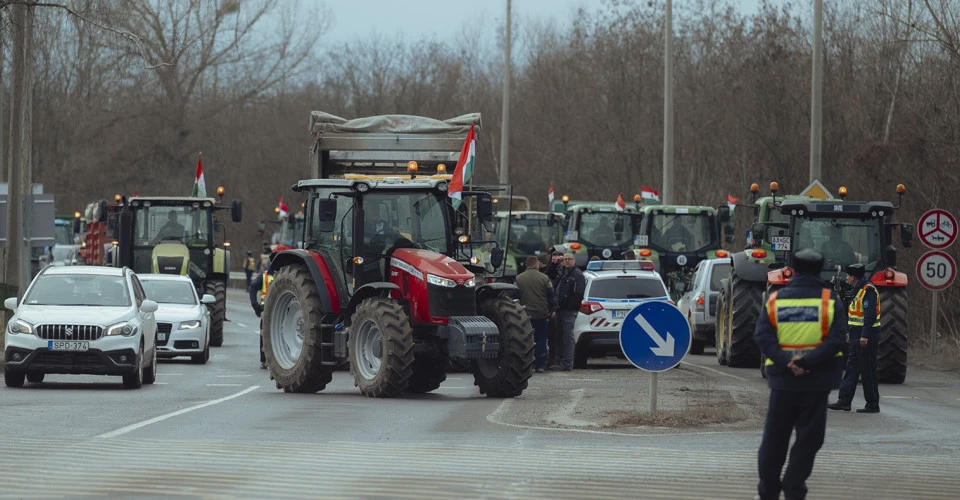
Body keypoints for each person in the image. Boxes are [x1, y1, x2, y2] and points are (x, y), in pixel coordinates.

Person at [753, 248, 846, 500]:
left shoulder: (776, 300)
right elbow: (836, 340)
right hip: (817, 381)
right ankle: (794, 490)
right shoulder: (829, 301)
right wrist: (807, 363)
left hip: (783, 381)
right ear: (820, 270)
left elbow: (762, 336)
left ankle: (768, 491)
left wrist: (786, 362)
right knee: (809, 440)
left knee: (774, 439)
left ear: (792, 269)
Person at [829, 263, 881, 413]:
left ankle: (872, 404)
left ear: (854, 276)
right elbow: (853, 315)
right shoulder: (856, 290)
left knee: (867, 371)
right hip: (855, 336)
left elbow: (870, 316)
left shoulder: (868, 291)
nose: (846, 277)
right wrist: (848, 334)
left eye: (848, 275)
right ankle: (844, 401)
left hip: (866, 338)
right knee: (851, 369)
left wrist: (864, 336)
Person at [516, 255, 557, 373]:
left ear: (526, 264)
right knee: (541, 339)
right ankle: (540, 365)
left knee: (527, 339)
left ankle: (529, 363)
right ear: (536, 264)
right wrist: (553, 309)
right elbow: (551, 296)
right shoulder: (544, 278)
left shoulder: (519, 278)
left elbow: (515, 297)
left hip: (526, 315)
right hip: (542, 313)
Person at [553, 252, 585, 371]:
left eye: (569, 259)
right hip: (560, 309)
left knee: (567, 337)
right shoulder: (562, 273)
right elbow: (551, 277)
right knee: (559, 336)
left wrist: (569, 306)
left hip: (568, 310)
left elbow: (578, 294)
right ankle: (560, 361)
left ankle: (567, 363)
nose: (567, 261)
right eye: (565, 259)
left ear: (574, 261)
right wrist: (556, 263)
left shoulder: (577, 275)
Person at [249, 267, 274, 370]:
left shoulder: (266, 275)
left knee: (265, 335)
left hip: (268, 309)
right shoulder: (266, 275)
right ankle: (265, 360)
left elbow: (252, 287)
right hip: (270, 310)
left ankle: (265, 361)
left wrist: (255, 306)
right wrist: (255, 305)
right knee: (267, 335)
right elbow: (253, 287)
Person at [544, 250, 565, 370]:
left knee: (560, 337)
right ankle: (552, 359)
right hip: (553, 307)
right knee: (552, 336)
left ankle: (558, 359)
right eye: (553, 260)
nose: (556, 262)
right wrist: (553, 264)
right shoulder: (552, 270)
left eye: (559, 259)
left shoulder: (566, 271)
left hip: (561, 308)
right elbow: (548, 276)